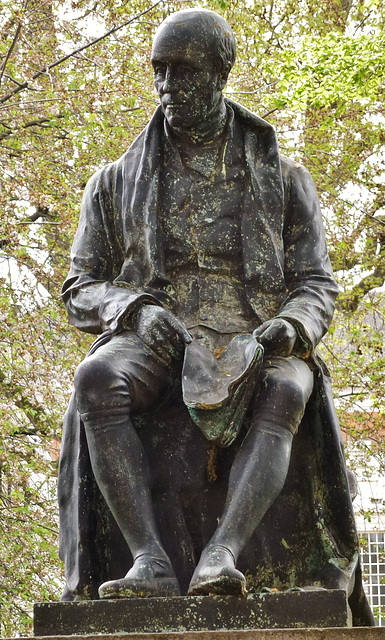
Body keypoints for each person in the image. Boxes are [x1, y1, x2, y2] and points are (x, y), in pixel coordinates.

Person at [59, 8, 373, 624]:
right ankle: (149, 560)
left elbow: (316, 286)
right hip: (159, 336)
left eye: (184, 72)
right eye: (160, 72)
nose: (168, 87)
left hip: (254, 335)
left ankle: (221, 556)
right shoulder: (113, 181)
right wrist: (134, 308)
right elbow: (80, 285)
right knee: (97, 379)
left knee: (289, 385)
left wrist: (285, 330)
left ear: (222, 72)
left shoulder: (286, 180)